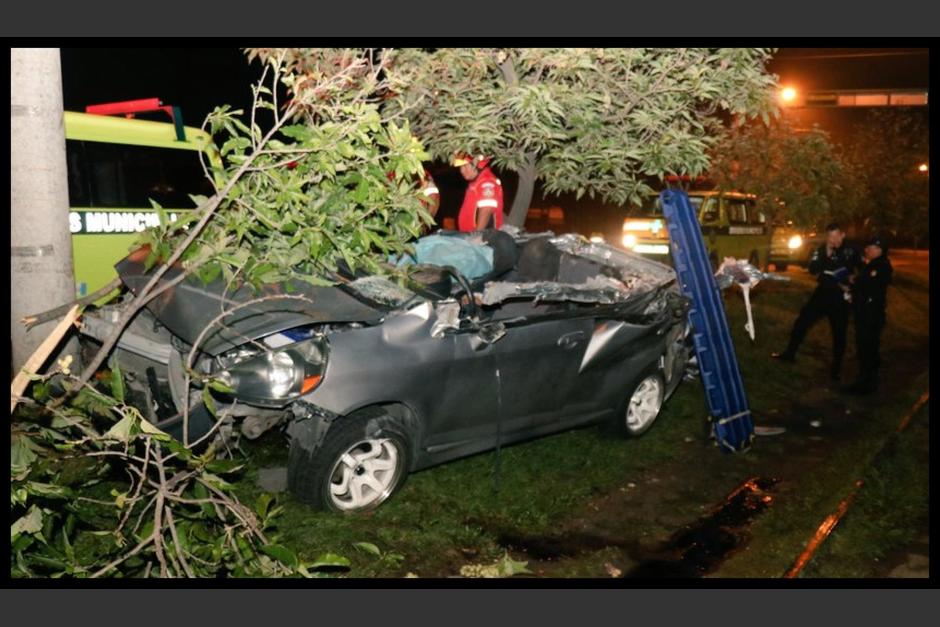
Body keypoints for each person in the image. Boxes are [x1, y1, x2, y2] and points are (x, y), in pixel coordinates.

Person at [771, 222, 862, 382]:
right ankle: (790, 353)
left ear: (842, 235)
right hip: (822, 293)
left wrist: (854, 284)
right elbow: (813, 269)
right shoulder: (822, 249)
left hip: (840, 296)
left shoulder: (852, 249)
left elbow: (862, 270)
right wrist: (826, 253)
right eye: (829, 236)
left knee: (839, 332)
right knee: (802, 321)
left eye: (835, 236)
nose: (833, 240)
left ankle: (836, 369)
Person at [846, 236, 893, 394]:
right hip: (865, 312)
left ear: (878, 250)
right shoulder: (872, 264)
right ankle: (866, 379)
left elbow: (868, 285)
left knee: (868, 346)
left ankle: (866, 382)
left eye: (870, 247)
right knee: (865, 346)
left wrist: (856, 282)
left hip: (871, 314)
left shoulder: (881, 266)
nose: (866, 250)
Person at [452, 152, 504, 232]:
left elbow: (486, 209)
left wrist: (477, 234)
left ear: (478, 164)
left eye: (465, 166)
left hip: (482, 240)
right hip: (470, 237)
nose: (462, 171)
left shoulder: (487, 182)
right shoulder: (476, 183)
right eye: (460, 167)